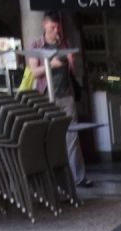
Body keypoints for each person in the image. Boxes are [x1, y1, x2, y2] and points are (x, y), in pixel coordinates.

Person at [29, 13, 88, 187]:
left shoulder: (65, 43)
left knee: (72, 135)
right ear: (44, 25)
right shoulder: (36, 45)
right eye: (53, 27)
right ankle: (52, 178)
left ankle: (78, 177)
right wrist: (50, 64)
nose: (56, 31)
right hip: (47, 95)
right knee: (49, 135)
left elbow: (73, 72)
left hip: (66, 93)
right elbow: (34, 72)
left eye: (58, 27)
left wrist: (71, 61)